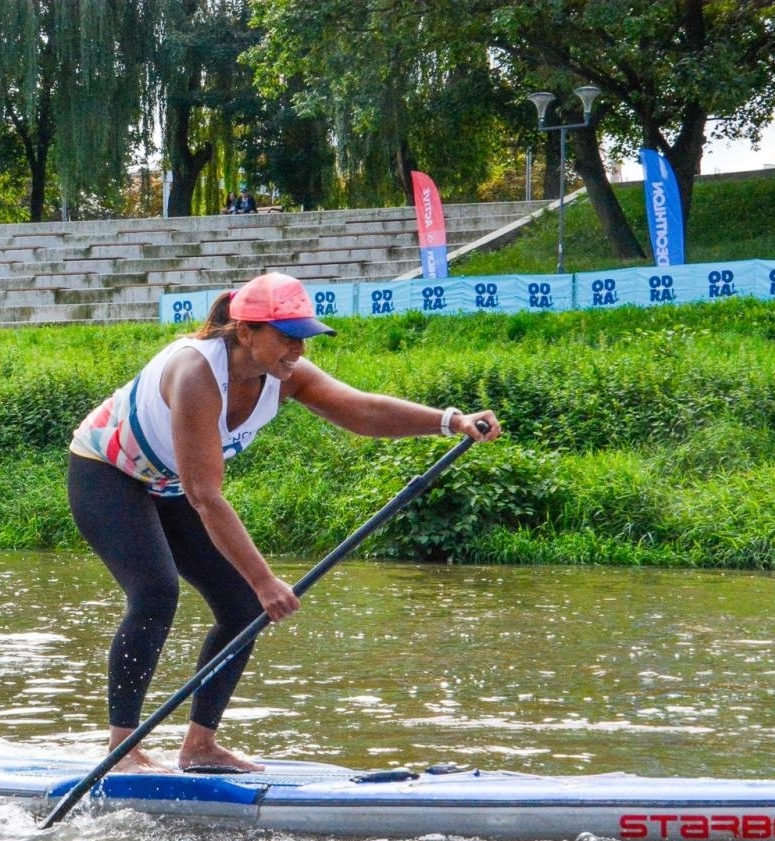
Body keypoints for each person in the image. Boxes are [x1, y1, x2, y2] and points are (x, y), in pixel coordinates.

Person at [68, 272, 500, 773]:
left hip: (169, 483)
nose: (297, 348)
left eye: (303, 336)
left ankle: (200, 747)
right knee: (156, 592)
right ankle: (123, 750)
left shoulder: (286, 374)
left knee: (241, 607)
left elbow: (362, 412)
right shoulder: (195, 374)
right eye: (286, 336)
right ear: (245, 331)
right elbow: (206, 495)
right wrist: (266, 579)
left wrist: (450, 422)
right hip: (108, 474)